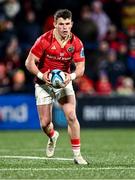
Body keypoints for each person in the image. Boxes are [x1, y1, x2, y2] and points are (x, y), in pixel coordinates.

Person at [25, 9, 88, 165]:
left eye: (67, 24)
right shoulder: (44, 40)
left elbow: (80, 68)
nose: (65, 27)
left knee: (72, 116)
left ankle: (77, 155)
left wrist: (71, 77)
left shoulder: (76, 43)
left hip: (63, 83)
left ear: (71, 24)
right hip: (43, 83)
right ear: (55, 24)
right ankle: (53, 136)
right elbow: (29, 63)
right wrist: (41, 75)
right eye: (61, 24)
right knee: (45, 123)